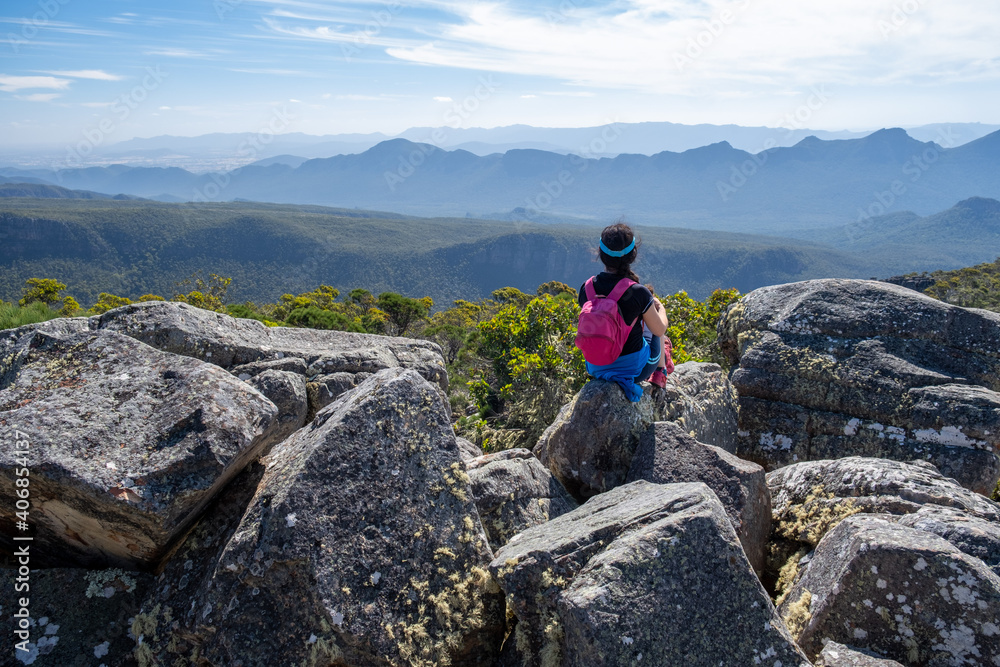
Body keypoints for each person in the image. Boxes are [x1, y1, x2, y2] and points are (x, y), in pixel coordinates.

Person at [578, 221, 670, 402]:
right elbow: (659, 330)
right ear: (632, 255)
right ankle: (660, 372)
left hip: (595, 367)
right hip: (635, 371)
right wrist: (661, 310)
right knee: (654, 326)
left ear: (600, 252)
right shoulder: (638, 292)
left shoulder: (586, 289)